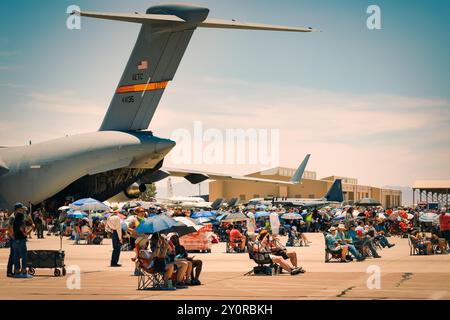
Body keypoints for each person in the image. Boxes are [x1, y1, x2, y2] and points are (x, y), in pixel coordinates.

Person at [11, 203, 33, 278]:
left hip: (15, 240)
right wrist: (31, 229)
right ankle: (24, 271)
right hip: (21, 240)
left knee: (16, 256)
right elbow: (25, 234)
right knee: (24, 256)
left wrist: (13, 236)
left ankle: (16, 271)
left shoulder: (14, 220)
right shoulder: (22, 222)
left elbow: (11, 229)